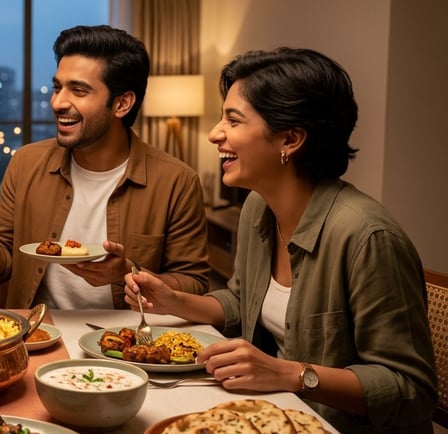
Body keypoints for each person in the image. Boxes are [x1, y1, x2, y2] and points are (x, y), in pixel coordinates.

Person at [125, 47, 436, 432]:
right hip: (278, 416)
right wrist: (174, 300)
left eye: (233, 120)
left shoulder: (367, 237)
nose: (214, 133)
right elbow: (243, 300)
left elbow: (411, 390)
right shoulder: (259, 207)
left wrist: (290, 374)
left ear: (290, 139)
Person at [0, 25, 209, 309]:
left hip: (130, 344)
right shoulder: (26, 163)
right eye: (57, 88)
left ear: (122, 104)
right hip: (39, 337)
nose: (58, 102)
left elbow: (194, 284)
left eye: (79, 91)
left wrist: (127, 273)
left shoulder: (176, 181)